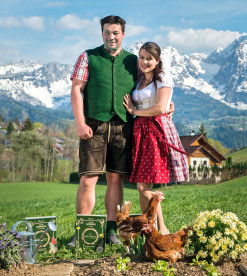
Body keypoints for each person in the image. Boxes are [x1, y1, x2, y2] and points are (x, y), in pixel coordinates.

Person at [68, 15, 138, 246]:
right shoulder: (87, 56)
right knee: (88, 179)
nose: (111, 36)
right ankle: (82, 233)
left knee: (115, 179)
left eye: (115, 32)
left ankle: (111, 232)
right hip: (93, 125)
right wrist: (80, 122)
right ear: (102, 34)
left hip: (123, 126)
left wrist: (167, 104)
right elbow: (77, 89)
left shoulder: (134, 61)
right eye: (107, 32)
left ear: (123, 35)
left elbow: (150, 87)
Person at [123, 42, 189, 235]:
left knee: (144, 185)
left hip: (155, 130)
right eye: (142, 57)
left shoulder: (163, 77)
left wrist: (135, 110)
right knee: (142, 185)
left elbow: (160, 108)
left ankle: (162, 227)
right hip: (139, 131)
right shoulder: (139, 79)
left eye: (149, 58)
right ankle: (148, 227)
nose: (144, 61)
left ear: (157, 60)